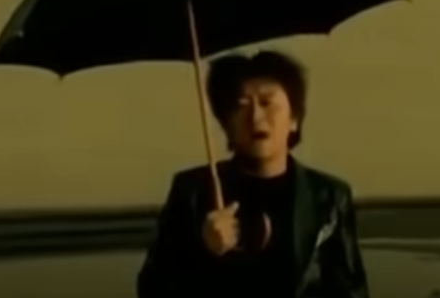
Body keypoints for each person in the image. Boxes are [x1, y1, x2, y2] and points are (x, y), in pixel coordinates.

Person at [136, 50, 369, 298]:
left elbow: (352, 291)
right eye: (241, 105)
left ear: (294, 118)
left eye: (267, 103)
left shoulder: (329, 196)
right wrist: (203, 249)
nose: (256, 116)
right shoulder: (191, 192)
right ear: (226, 124)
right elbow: (150, 290)